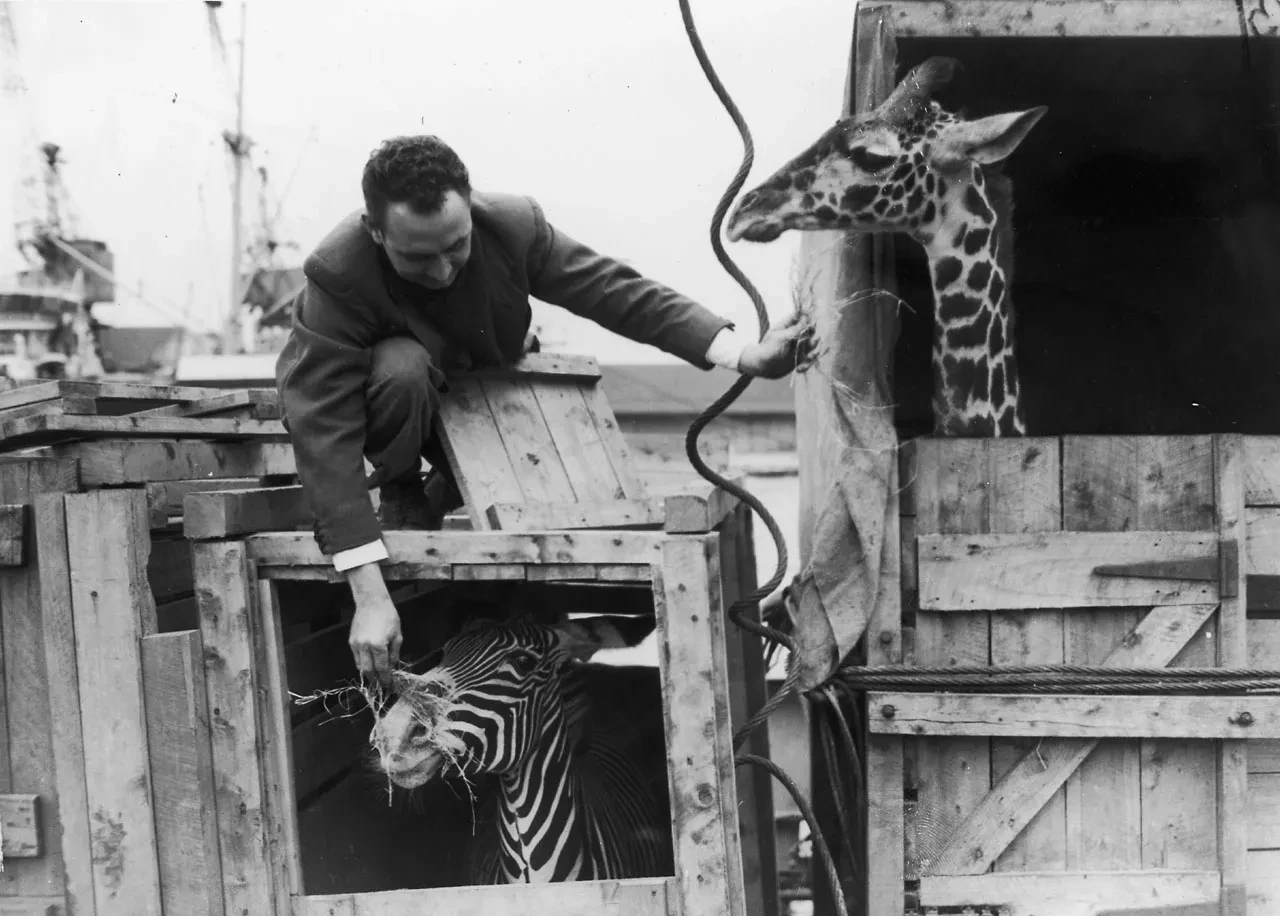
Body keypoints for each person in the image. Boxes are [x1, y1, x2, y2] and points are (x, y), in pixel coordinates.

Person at [276, 135, 813, 686]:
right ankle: (409, 489)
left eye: (455, 247)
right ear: (375, 230)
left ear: (472, 209)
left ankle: (452, 484)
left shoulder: (512, 224)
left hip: (489, 407)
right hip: (398, 411)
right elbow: (324, 432)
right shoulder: (337, 272)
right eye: (417, 258)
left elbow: (618, 292)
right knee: (402, 368)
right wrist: (367, 593)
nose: (442, 271)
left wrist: (744, 355)